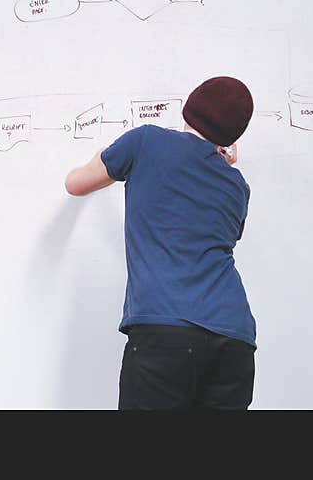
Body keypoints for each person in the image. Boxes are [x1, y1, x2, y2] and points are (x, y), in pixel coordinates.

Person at [64, 77, 257, 410]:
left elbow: (76, 184)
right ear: (233, 136)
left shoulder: (146, 142)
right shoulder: (237, 185)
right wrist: (221, 163)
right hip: (234, 337)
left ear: (190, 107)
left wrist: (101, 155)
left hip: (167, 331)